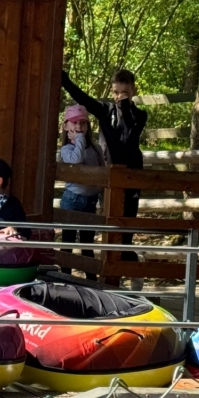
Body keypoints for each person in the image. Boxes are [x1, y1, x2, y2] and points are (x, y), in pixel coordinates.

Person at [61, 68, 148, 260]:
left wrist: (125, 107)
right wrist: (65, 81)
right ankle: (109, 267)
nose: (119, 97)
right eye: (116, 92)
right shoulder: (104, 111)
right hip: (108, 173)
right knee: (109, 219)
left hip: (132, 174)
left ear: (133, 90)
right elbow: (83, 98)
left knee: (128, 222)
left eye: (124, 93)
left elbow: (127, 138)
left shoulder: (140, 116)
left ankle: (128, 262)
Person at [58, 104, 104, 278]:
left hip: (90, 201)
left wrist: (101, 200)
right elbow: (76, 160)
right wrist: (79, 140)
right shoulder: (66, 149)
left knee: (87, 244)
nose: (79, 126)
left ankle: (91, 280)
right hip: (72, 200)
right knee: (68, 242)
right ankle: (66, 278)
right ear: (66, 126)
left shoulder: (96, 150)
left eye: (83, 123)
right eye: (74, 122)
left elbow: (102, 175)